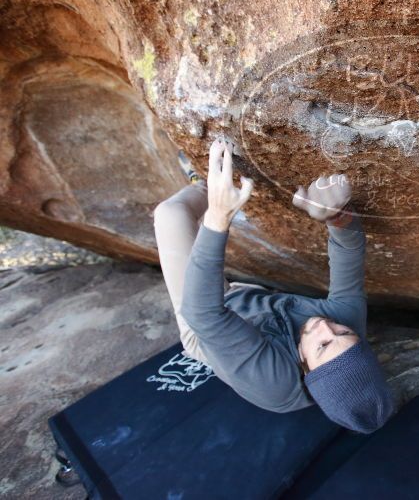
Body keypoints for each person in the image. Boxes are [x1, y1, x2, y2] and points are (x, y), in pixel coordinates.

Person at [153, 137, 394, 433]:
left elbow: (202, 313)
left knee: (171, 214)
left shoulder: (273, 383)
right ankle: (216, 184)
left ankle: (203, 182)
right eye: (343, 332)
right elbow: (349, 252)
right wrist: (336, 216)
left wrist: (218, 214)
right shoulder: (344, 330)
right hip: (256, 303)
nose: (325, 325)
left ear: (304, 367)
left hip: (205, 327)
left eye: (322, 345)